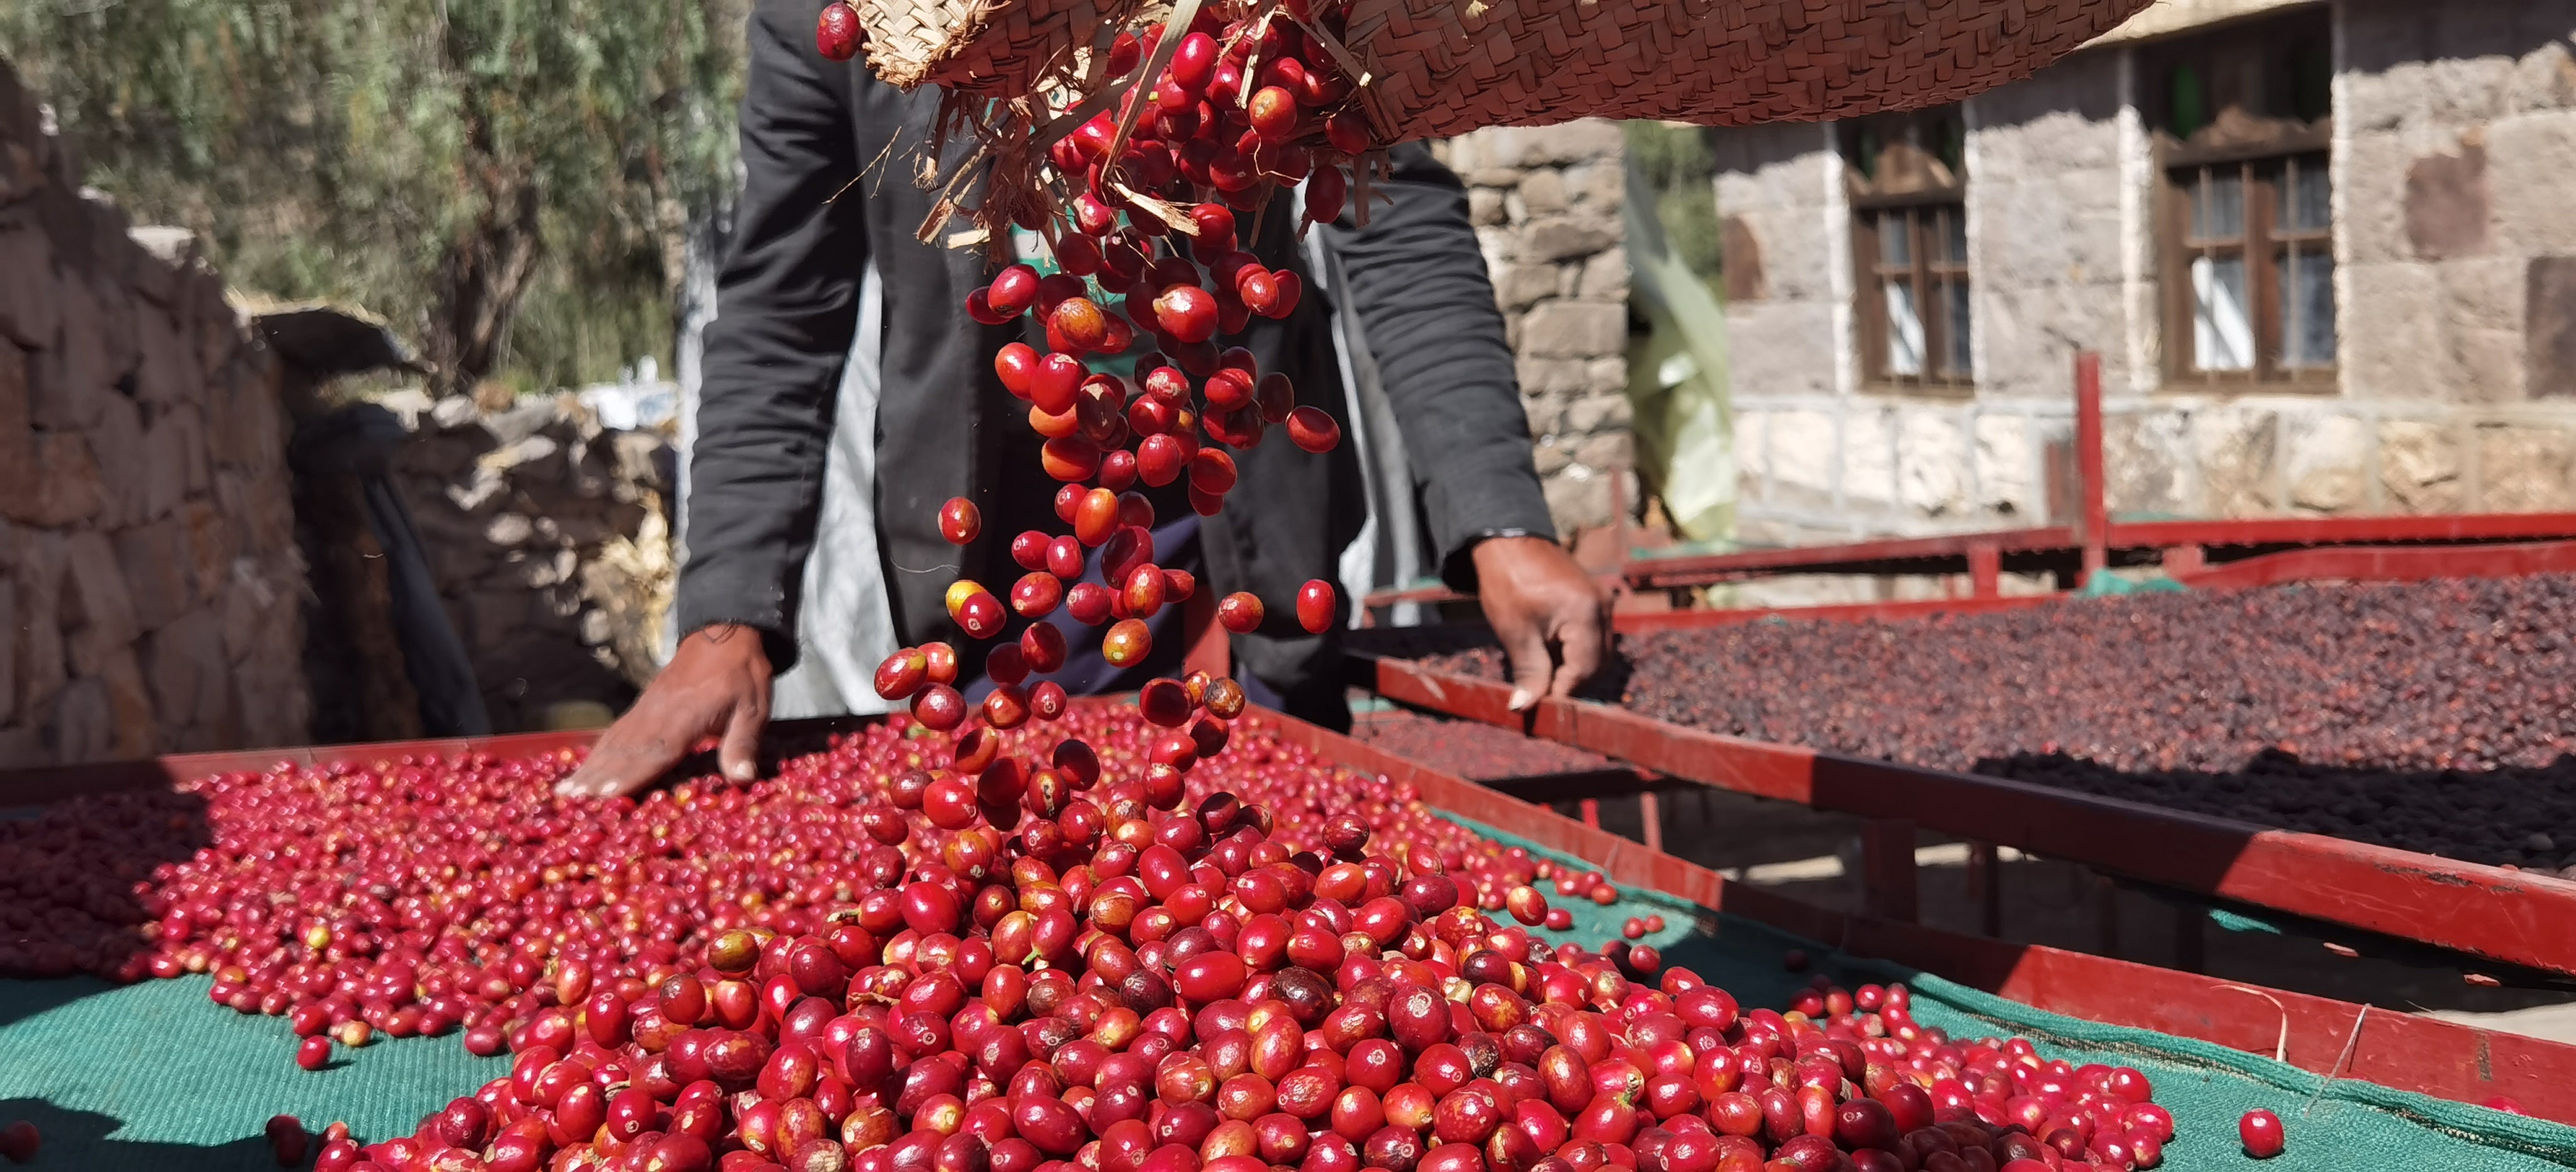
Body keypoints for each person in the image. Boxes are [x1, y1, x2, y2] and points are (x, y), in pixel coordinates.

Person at [558, 0, 1609, 799]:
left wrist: (1499, 517)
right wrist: (727, 614)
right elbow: (782, 312)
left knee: (1278, 917)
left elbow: (1398, 223)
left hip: (1241, 547)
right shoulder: (831, 15)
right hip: (998, 589)